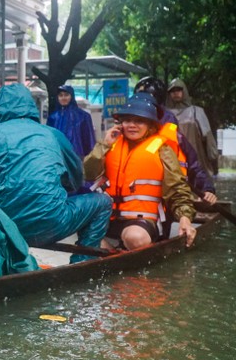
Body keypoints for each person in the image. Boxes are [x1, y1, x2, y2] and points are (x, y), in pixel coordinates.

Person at [0, 83, 112, 263]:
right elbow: (76, 179)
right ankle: (81, 263)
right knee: (103, 202)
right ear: (30, 107)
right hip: (53, 222)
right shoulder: (53, 134)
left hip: (5, 226)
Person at [83, 95, 197, 250]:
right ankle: (112, 253)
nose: (132, 125)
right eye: (127, 120)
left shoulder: (163, 150)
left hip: (142, 221)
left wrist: (184, 218)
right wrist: (104, 144)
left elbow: (177, 188)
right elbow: (88, 174)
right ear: (120, 123)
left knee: (134, 238)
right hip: (108, 217)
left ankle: (124, 252)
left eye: (139, 121)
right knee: (81, 227)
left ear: (150, 125)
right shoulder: (111, 144)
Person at [134, 77, 217, 204]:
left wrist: (208, 186)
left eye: (179, 90)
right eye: (173, 91)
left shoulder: (193, 113)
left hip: (182, 161)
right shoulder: (124, 130)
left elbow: (203, 145)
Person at [166, 78, 219, 179]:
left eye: (178, 90)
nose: (176, 93)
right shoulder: (165, 114)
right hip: (171, 162)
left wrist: (212, 158)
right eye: (172, 91)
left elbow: (208, 139)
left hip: (196, 161)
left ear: (184, 91)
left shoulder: (197, 112)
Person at [46, 84, 96, 158]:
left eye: (66, 95)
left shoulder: (83, 116)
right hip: (59, 156)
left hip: (77, 157)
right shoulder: (53, 117)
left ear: (71, 96)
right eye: (60, 95)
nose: (63, 98)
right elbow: (49, 139)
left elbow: (89, 140)